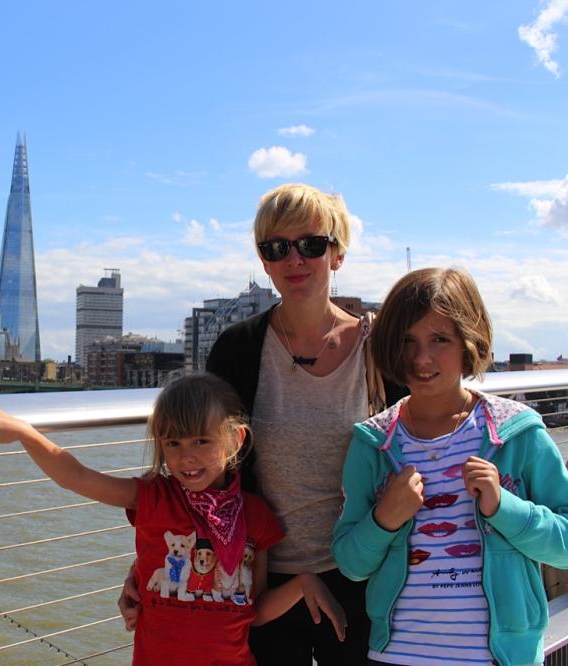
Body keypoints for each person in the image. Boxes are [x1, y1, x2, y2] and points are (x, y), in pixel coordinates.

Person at [121, 183, 405, 665]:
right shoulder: (238, 348)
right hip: (254, 578)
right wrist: (148, 564)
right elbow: (200, 464)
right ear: (265, 260)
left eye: (311, 244)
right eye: (276, 248)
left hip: (361, 570)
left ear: (337, 254)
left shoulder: (377, 349)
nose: (294, 259)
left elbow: (417, 447)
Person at [0, 373, 346, 666]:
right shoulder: (155, 498)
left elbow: (253, 609)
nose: (186, 457)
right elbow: (78, 477)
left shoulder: (256, 516)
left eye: (201, 442)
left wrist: (302, 584)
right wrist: (22, 432)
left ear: (235, 440)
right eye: (173, 443)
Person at [332, 267, 568, 666]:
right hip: (397, 657)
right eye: (407, 341)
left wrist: (504, 507)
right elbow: (350, 564)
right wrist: (384, 519)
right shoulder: (374, 443)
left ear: (468, 341)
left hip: (501, 658)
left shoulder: (515, 433)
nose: (421, 358)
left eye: (440, 339)